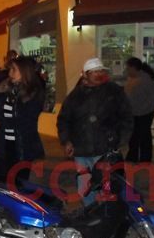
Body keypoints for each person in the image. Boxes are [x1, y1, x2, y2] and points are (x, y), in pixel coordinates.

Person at [57, 57, 133, 206]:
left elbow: (126, 117)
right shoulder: (76, 95)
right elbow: (64, 119)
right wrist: (66, 140)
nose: (99, 74)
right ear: (85, 74)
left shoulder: (114, 92)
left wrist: (120, 140)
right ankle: (90, 212)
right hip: (81, 150)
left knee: (107, 186)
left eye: (101, 71)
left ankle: (107, 213)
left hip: (105, 149)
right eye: (94, 72)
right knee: (85, 187)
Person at [0, 55, 45, 183]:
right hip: (3, 145)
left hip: (22, 146)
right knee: (2, 182)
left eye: (14, 70)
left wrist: (1, 123)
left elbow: (27, 120)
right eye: (10, 69)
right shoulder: (5, 90)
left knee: (19, 184)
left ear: (24, 71)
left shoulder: (32, 93)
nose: (10, 73)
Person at [124, 57, 154, 163]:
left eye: (128, 68)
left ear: (134, 68)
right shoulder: (131, 78)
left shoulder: (146, 80)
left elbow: (152, 97)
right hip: (134, 113)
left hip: (144, 113)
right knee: (133, 137)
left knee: (144, 137)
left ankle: (145, 158)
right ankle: (132, 156)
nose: (127, 70)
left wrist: (142, 109)